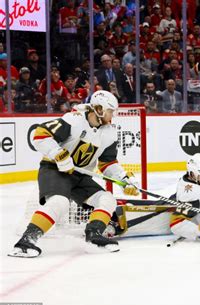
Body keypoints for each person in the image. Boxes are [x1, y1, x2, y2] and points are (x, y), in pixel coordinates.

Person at [9, 90, 140, 258]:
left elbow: (108, 163)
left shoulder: (109, 133)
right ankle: (25, 242)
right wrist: (59, 154)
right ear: (99, 109)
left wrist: (125, 180)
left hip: (80, 176)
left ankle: (93, 236)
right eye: (110, 111)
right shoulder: (74, 120)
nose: (112, 116)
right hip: (54, 170)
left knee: (107, 199)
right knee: (60, 202)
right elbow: (40, 135)